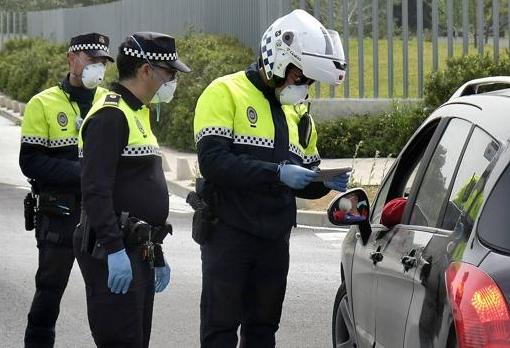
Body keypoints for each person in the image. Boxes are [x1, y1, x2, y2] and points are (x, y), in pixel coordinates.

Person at [193, 9, 349, 347]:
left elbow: (305, 178)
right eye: (301, 77)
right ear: (279, 60)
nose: (305, 86)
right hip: (229, 233)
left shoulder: (298, 112)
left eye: (310, 81)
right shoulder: (224, 92)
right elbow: (213, 162)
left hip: (274, 239)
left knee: (264, 330)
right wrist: (276, 172)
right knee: (220, 329)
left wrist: (325, 181)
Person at [75, 32, 190, 347]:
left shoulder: (139, 111)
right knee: (121, 340)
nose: (172, 80)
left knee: (136, 340)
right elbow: (95, 190)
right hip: (114, 247)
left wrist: (157, 250)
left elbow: (138, 188)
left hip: (138, 246)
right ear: (145, 70)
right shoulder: (111, 115)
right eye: (169, 72)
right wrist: (114, 250)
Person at [19, 32, 113, 348]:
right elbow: (31, 161)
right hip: (59, 213)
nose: (97, 68)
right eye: (91, 60)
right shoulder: (43, 103)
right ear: (72, 59)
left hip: (101, 213)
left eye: (102, 62)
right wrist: (86, 174)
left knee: (106, 296)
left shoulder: (110, 104)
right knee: (49, 291)